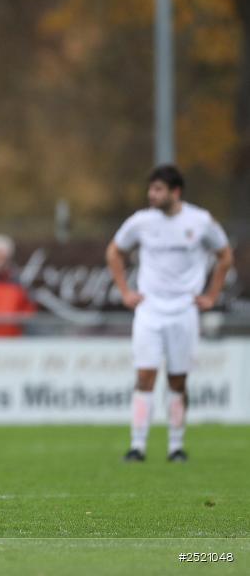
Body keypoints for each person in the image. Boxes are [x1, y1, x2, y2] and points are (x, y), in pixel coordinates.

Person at [106, 165, 232, 463]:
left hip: (184, 310)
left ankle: (176, 446)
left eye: (158, 189)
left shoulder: (200, 221)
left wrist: (211, 295)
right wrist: (125, 291)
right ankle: (137, 445)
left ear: (176, 192)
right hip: (150, 309)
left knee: (178, 380)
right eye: (150, 189)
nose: (152, 194)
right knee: (145, 375)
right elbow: (114, 252)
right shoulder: (141, 222)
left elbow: (225, 255)